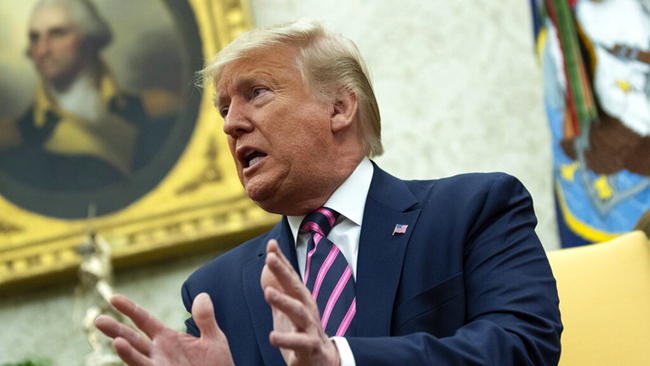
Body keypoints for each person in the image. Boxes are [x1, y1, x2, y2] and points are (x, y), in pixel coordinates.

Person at [95, 19, 562, 365]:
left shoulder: (471, 212)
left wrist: (340, 359)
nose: (231, 124)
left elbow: (525, 344)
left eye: (255, 92)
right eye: (224, 108)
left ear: (339, 107)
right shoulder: (214, 294)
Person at [0, 0, 176, 192]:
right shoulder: (13, 140)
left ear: (90, 40)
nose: (42, 50)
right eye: (35, 38)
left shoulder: (157, 110)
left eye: (57, 34)